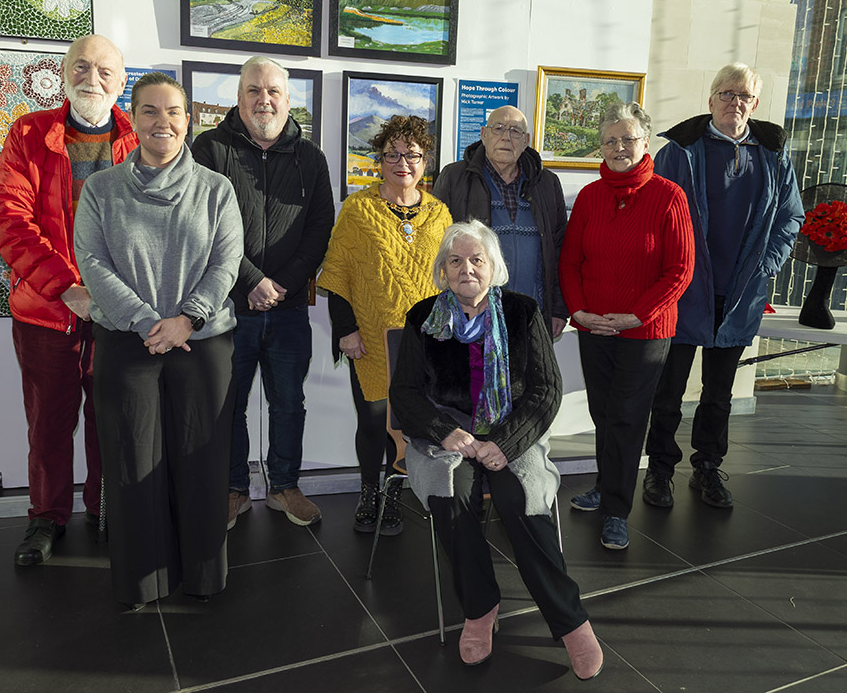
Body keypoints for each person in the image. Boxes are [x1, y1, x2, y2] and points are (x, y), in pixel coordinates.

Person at [388, 221, 603, 680]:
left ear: (493, 267)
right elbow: (404, 393)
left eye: (476, 260)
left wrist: (504, 445)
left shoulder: (523, 313)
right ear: (443, 271)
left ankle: (570, 620)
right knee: (452, 497)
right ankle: (480, 610)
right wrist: (446, 432)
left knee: (520, 500)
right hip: (447, 436)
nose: (466, 268)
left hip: (512, 430)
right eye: (455, 261)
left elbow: (546, 390)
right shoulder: (423, 317)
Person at [73, 73, 243, 609]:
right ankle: (143, 581)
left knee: (202, 461)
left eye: (172, 111)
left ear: (188, 119)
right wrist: (148, 321)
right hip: (128, 342)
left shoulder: (217, 189)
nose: (161, 122)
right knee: (132, 463)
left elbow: (226, 262)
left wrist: (185, 319)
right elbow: (93, 262)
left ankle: (202, 576)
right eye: (149, 111)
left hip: (202, 341)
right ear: (134, 119)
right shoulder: (101, 190)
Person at [0, 34, 138, 566]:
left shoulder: (138, 141)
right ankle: (45, 519)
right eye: (80, 66)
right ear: (63, 72)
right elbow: (10, 221)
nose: (90, 78)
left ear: (121, 82)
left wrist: (115, 298)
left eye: (103, 70)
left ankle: (103, 509)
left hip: (118, 315)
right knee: (49, 423)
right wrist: (66, 288)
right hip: (46, 314)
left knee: (110, 419)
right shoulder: (29, 133)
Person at [642, 63, 803, 510]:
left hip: (740, 292)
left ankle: (708, 467)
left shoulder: (774, 154)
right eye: (728, 94)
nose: (736, 103)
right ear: (711, 99)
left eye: (745, 96)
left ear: (755, 103)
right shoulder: (680, 150)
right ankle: (659, 469)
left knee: (719, 393)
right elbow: (654, 213)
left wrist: (768, 263)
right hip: (684, 290)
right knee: (669, 391)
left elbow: (791, 216)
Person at [192, 56, 334, 529]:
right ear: (238, 97)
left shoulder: (311, 159)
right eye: (253, 90)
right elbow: (204, 229)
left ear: (289, 100)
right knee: (227, 405)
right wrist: (251, 282)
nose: (263, 99)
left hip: (290, 308)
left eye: (273, 90)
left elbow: (319, 230)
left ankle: (284, 487)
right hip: (229, 307)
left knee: (289, 402)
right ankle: (233, 489)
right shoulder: (209, 149)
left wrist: (283, 284)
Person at [561, 102, 694, 550]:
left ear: (645, 142)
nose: (619, 147)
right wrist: (579, 312)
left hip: (646, 332)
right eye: (610, 140)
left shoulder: (669, 195)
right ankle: (605, 484)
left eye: (628, 139)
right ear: (600, 146)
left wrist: (637, 315)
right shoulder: (590, 196)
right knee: (603, 414)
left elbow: (680, 270)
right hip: (593, 328)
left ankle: (616, 509)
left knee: (628, 417)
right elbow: (570, 262)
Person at [317, 115, 451, 536]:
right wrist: (346, 330)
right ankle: (369, 494)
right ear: (379, 160)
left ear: (425, 160)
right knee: (373, 421)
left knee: (411, 422)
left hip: (425, 344)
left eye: (411, 154)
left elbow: (451, 278)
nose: (402, 163)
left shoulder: (440, 214)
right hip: (372, 340)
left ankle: (395, 493)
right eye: (392, 154)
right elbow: (337, 274)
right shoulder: (358, 209)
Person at [434, 106, 569, 339]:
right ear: (483, 134)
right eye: (498, 129)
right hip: (472, 313)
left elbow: (559, 248)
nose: (506, 137)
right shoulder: (454, 177)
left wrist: (557, 309)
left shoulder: (547, 183)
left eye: (515, 131)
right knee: (474, 375)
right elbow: (436, 245)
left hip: (531, 314)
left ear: (526, 140)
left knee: (527, 375)